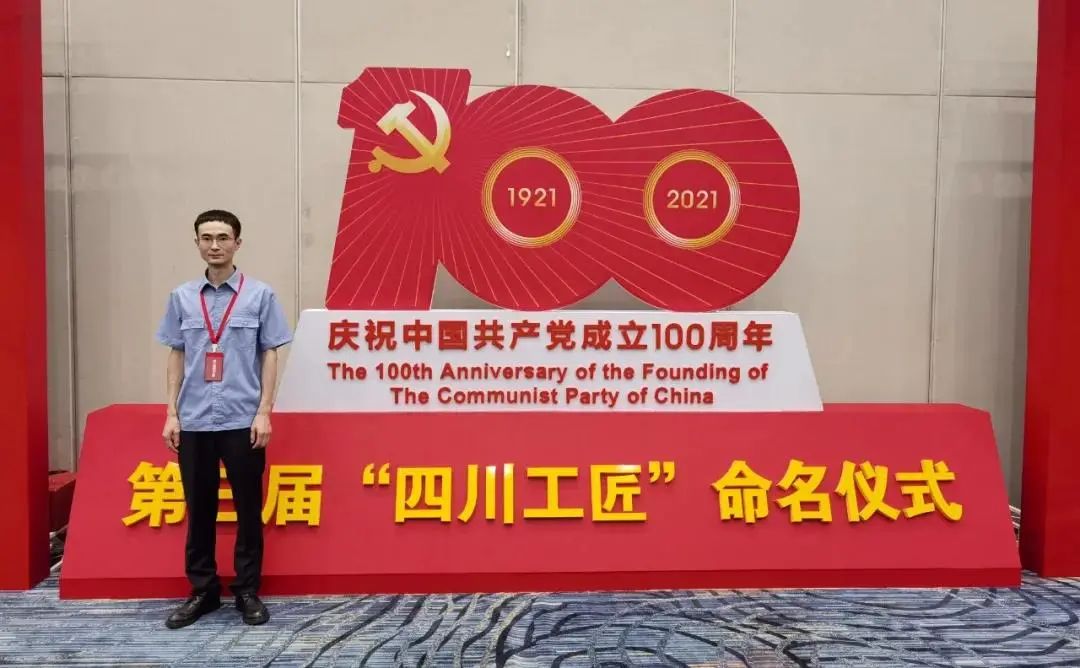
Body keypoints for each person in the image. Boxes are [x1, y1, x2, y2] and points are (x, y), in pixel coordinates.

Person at [155, 209, 292, 629]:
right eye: (207, 238)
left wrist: (264, 412)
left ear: (237, 243)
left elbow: (270, 353)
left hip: (242, 419)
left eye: (223, 237)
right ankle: (203, 591)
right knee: (200, 509)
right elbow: (176, 353)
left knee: (248, 508)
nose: (215, 245)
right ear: (197, 242)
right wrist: (171, 413)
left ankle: (247, 590)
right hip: (195, 419)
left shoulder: (260, 295)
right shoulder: (181, 297)